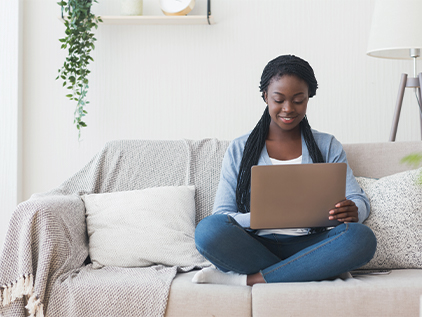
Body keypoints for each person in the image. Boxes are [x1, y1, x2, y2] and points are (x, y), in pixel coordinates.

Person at [192, 55, 377, 286]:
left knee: (361, 238)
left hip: (312, 243)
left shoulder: (327, 145)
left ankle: (250, 280)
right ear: (265, 97)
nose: (288, 108)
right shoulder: (240, 148)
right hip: (256, 245)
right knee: (208, 231)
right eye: (279, 99)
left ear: (308, 98)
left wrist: (354, 210)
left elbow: (358, 200)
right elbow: (222, 215)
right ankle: (314, 269)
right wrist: (262, 217)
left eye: (298, 100)